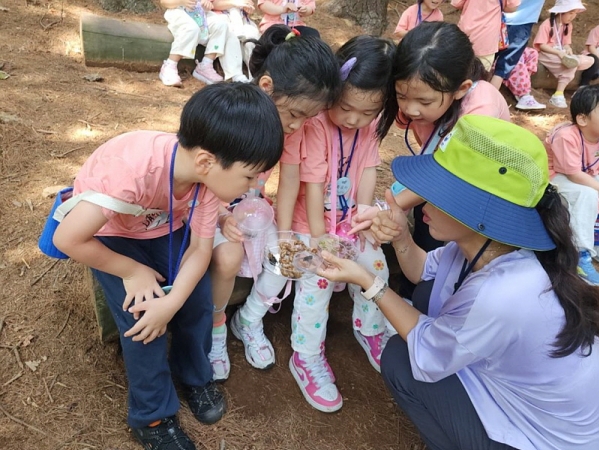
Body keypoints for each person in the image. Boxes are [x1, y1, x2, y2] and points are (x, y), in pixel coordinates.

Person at [318, 114, 599, 450]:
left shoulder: (502, 293)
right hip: (527, 396)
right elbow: (422, 271)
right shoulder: (488, 246)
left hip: (544, 437)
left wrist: (366, 280)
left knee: (400, 358)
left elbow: (427, 351)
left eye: (442, 192)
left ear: (480, 212)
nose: (423, 199)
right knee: (427, 293)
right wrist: (401, 234)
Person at [52, 83, 284, 450]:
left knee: (197, 299)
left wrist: (173, 302)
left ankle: (194, 375)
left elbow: (200, 250)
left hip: (162, 225)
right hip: (112, 234)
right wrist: (132, 271)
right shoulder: (132, 173)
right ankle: (152, 416)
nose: (255, 185)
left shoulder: (206, 180)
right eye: (249, 176)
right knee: (142, 318)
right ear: (206, 162)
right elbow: (67, 239)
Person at [230, 35, 397, 413]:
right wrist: (312, 239)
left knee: (376, 263)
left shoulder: (367, 127)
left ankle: (370, 330)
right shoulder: (312, 123)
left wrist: (363, 215)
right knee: (314, 277)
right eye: (346, 107)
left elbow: (368, 171)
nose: (354, 119)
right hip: (309, 224)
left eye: (367, 112)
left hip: (344, 223)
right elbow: (303, 185)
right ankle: (305, 354)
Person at [208, 25, 342, 382]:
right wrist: (221, 216)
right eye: (295, 114)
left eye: (307, 118)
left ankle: (248, 320)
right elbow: (200, 178)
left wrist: (283, 235)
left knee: (288, 257)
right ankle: (216, 326)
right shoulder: (230, 113)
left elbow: (290, 179)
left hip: (252, 208)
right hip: (212, 208)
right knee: (227, 257)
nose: (298, 126)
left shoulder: (289, 129)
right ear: (266, 86)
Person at [352, 22, 510, 298]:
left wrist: (390, 206)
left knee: (457, 261)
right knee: (426, 223)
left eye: (424, 102)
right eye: (402, 96)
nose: (410, 109)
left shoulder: (480, 107)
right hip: (441, 186)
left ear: (461, 89)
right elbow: (434, 167)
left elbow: (452, 175)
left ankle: (438, 298)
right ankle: (413, 292)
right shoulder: (420, 99)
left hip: (483, 196)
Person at [544, 85, 599, 284]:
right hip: (554, 178)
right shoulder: (566, 136)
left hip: (582, 175)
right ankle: (579, 254)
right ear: (582, 119)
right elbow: (574, 175)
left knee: (591, 191)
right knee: (587, 195)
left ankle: (595, 240)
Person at [533, 0, 595, 108]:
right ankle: (558, 94)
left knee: (591, 60)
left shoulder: (568, 26)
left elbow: (566, 44)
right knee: (570, 66)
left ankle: (573, 61)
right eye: (571, 13)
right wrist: (559, 53)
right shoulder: (547, 24)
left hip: (561, 54)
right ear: (561, 12)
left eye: (575, 13)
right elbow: (541, 45)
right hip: (546, 54)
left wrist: (568, 49)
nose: (573, 16)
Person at [490, 0, 546, 110]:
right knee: (504, 66)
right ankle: (488, 101)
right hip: (521, 21)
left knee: (489, 58)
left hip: (496, 16)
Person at [450, 0, 520, 71]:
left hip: (464, 35)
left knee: (458, 72)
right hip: (486, 39)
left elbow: (456, 3)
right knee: (481, 74)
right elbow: (512, 7)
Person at [211, 0, 261, 78]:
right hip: (223, 20)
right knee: (230, 36)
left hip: (243, 22)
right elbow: (213, 4)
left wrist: (248, 7)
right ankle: (236, 76)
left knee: (252, 37)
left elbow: (249, 4)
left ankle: (254, 75)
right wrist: (234, 3)